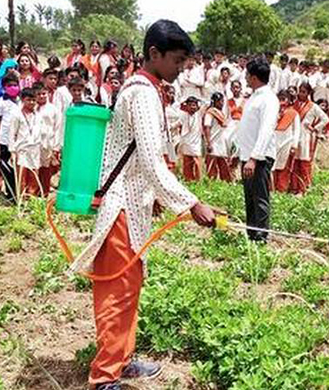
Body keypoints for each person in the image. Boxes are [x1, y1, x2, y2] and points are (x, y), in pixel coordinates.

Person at [69, 20, 215, 390]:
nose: (182, 67)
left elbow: (144, 161)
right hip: (121, 206)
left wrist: (155, 199)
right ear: (154, 54)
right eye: (178, 60)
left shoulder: (147, 89)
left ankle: (123, 359)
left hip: (134, 203)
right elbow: (151, 161)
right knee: (117, 291)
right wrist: (191, 203)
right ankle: (104, 377)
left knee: (130, 285)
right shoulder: (142, 93)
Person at [236, 58, 279, 241]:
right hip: (248, 156)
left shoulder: (268, 99)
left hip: (258, 158)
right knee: (250, 197)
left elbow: (266, 130)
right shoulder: (254, 97)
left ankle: (261, 236)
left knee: (259, 197)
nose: (245, 78)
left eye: (247, 74)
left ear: (253, 77)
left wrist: (254, 158)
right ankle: (251, 233)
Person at [290, 83, 329, 195]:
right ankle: (293, 187)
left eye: (304, 91)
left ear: (308, 93)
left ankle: (303, 188)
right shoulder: (294, 105)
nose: (301, 94)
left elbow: (325, 119)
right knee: (294, 162)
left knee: (304, 162)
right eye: (300, 91)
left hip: (306, 136)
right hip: (294, 135)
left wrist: (315, 128)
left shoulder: (313, 107)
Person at [8, 88, 42, 197]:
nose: (32, 103)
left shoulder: (38, 115)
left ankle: (30, 198)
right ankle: (21, 200)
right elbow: (12, 133)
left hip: (34, 149)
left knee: (34, 175)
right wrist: (12, 151)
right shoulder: (17, 114)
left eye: (33, 100)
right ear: (23, 100)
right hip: (21, 149)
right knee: (21, 176)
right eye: (29, 100)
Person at [0, 73, 21, 200]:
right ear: (4, 87)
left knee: (18, 168)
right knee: (7, 168)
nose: (13, 87)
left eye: (15, 85)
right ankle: (11, 195)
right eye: (10, 85)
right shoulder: (0, 102)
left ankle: (20, 193)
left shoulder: (21, 101)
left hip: (19, 140)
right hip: (4, 140)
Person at [33, 84, 60, 196]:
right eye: (38, 94)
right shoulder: (31, 107)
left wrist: (56, 146)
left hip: (47, 142)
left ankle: (44, 191)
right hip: (33, 142)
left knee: (46, 168)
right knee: (34, 166)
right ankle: (33, 191)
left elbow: (57, 127)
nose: (41, 96)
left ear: (48, 94)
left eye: (43, 94)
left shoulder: (53, 109)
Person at [273, 90, 301, 193]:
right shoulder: (273, 112)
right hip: (274, 143)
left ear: (289, 100)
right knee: (273, 167)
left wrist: (294, 145)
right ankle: (272, 188)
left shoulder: (293, 113)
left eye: (283, 99)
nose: (281, 102)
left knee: (284, 167)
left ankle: (281, 189)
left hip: (287, 142)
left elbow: (297, 130)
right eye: (279, 99)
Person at [203, 92, 233, 182]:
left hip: (221, 143)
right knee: (212, 167)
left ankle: (226, 185)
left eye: (222, 101)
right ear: (215, 102)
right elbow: (207, 127)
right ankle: (211, 185)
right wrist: (208, 143)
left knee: (224, 166)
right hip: (213, 142)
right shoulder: (210, 112)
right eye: (220, 101)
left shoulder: (221, 113)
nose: (222, 103)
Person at [178, 96, 203, 182]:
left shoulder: (199, 114)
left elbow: (206, 103)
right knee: (187, 162)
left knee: (197, 162)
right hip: (186, 142)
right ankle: (188, 180)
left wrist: (198, 102)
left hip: (196, 143)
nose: (192, 107)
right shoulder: (183, 115)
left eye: (194, 105)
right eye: (190, 105)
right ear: (187, 106)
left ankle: (198, 181)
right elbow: (178, 123)